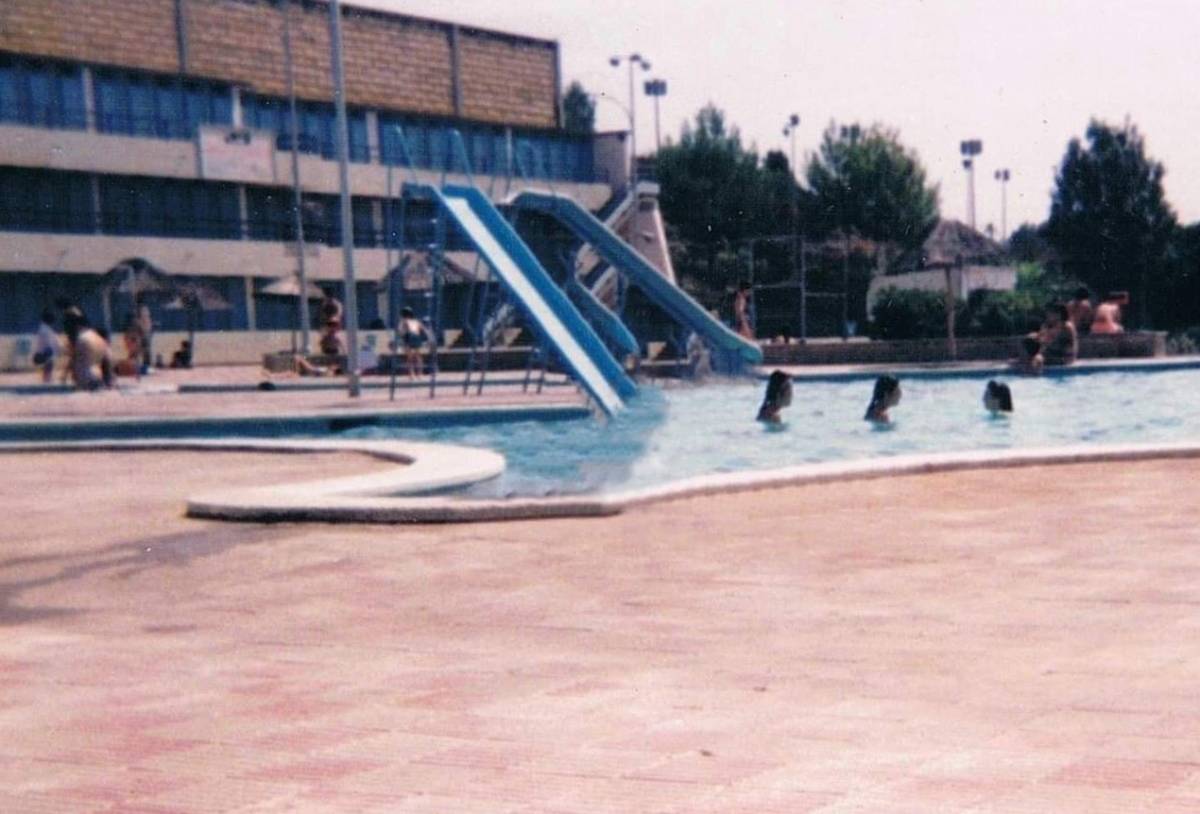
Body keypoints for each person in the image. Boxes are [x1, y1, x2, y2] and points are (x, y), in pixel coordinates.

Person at [63, 311, 113, 391]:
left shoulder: (81, 339)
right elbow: (107, 362)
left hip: (84, 380)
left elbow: (74, 360)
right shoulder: (98, 338)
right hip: (98, 377)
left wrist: (65, 376)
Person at [399, 307, 428, 380]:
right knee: (418, 357)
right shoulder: (416, 321)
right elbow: (423, 329)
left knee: (410, 358)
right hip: (417, 337)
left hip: (409, 337)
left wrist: (402, 339)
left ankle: (412, 375)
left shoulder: (403, 321)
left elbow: (401, 332)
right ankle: (420, 374)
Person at [32, 308, 60, 383]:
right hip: (46, 353)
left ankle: (47, 380)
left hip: (48, 353)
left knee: (49, 369)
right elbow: (48, 343)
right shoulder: (45, 329)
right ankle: (47, 381)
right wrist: (49, 353)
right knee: (48, 368)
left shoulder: (46, 328)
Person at [135, 294, 154, 374]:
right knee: (144, 349)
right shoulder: (143, 309)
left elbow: (142, 320)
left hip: (144, 331)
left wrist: (141, 329)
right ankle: (145, 365)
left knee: (145, 349)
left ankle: (147, 366)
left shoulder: (141, 309)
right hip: (145, 330)